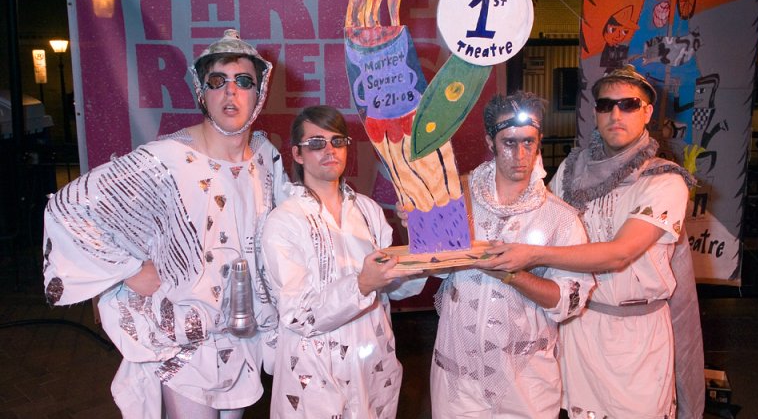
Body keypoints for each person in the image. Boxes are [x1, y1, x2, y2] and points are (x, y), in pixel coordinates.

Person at [42, 29, 290, 419]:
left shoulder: (264, 155)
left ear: (259, 92)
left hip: (242, 335)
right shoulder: (166, 158)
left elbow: (295, 219)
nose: (231, 92)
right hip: (182, 339)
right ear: (201, 92)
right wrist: (129, 270)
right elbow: (70, 208)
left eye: (244, 81)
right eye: (217, 81)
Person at [481, 66, 696, 419]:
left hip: (635, 338)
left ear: (647, 112)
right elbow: (533, 220)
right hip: (574, 329)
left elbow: (618, 254)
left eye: (629, 104)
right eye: (605, 104)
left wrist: (531, 254)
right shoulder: (571, 168)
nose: (615, 114)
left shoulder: (664, 180)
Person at [430, 92, 594, 418]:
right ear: (490, 141)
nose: (520, 154)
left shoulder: (560, 218)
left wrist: (513, 274)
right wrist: (421, 227)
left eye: (529, 142)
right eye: (509, 143)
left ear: (539, 140)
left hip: (526, 380)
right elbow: (434, 269)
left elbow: (569, 302)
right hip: (458, 377)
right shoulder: (457, 200)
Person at [261, 105, 425, 418]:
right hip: (315, 372)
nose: (329, 150)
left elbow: (398, 287)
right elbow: (298, 314)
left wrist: (422, 240)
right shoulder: (284, 221)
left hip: (372, 363)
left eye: (337, 142)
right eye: (316, 144)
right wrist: (363, 284)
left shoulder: (367, 210)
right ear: (297, 154)